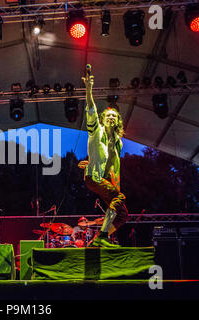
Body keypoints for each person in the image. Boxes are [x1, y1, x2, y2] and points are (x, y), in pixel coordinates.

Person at [80, 67, 128, 248]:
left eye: (114, 116)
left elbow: (113, 165)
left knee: (122, 215)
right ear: (102, 118)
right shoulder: (96, 131)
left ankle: (99, 241)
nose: (111, 117)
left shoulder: (117, 142)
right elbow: (90, 109)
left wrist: (115, 185)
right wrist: (89, 89)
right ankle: (102, 237)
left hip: (107, 180)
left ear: (118, 121)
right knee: (119, 198)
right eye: (108, 115)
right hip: (94, 177)